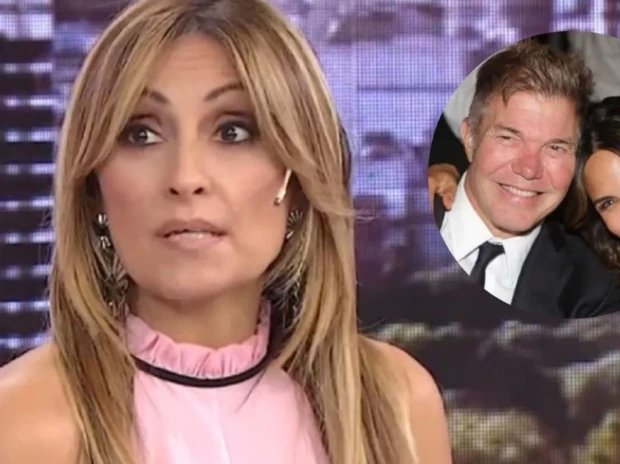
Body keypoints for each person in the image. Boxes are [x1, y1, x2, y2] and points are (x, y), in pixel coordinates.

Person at [0, 0, 452, 463]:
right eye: (141, 134)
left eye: (233, 132)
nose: (185, 177)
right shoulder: (18, 424)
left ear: (297, 181)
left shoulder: (396, 405)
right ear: (94, 187)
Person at [428, 38, 620, 319]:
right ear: (469, 139)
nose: (529, 169)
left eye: (555, 147)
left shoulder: (593, 292)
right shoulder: (386, 232)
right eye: (509, 138)